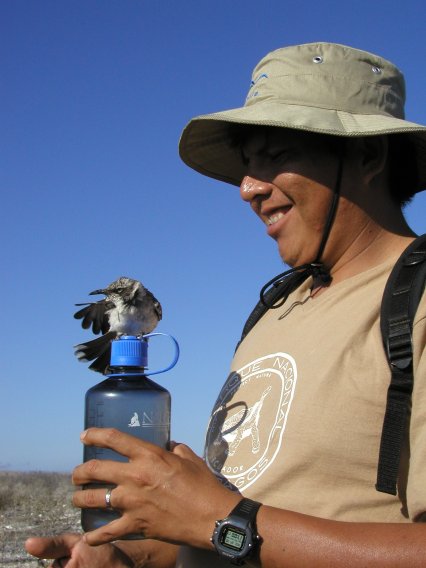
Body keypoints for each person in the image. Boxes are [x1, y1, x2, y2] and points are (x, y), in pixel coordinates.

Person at [26, 41, 426, 567]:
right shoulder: (277, 311)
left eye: (277, 156)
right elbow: (238, 527)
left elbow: (229, 522)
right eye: (246, 164)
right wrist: (138, 553)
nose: (247, 188)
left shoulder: (412, 306)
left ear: (369, 156)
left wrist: (222, 519)